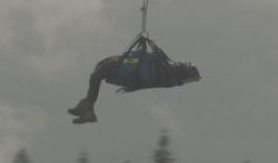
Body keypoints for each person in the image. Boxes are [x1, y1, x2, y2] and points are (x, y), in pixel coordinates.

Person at [68, 36, 200, 124]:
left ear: (185, 70)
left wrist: (149, 41)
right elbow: (150, 83)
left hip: (132, 68)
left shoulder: (171, 72)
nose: (184, 62)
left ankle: (88, 107)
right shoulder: (171, 79)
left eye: (187, 64)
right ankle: (88, 106)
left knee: (98, 73)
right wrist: (133, 87)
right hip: (135, 68)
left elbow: (161, 56)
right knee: (100, 68)